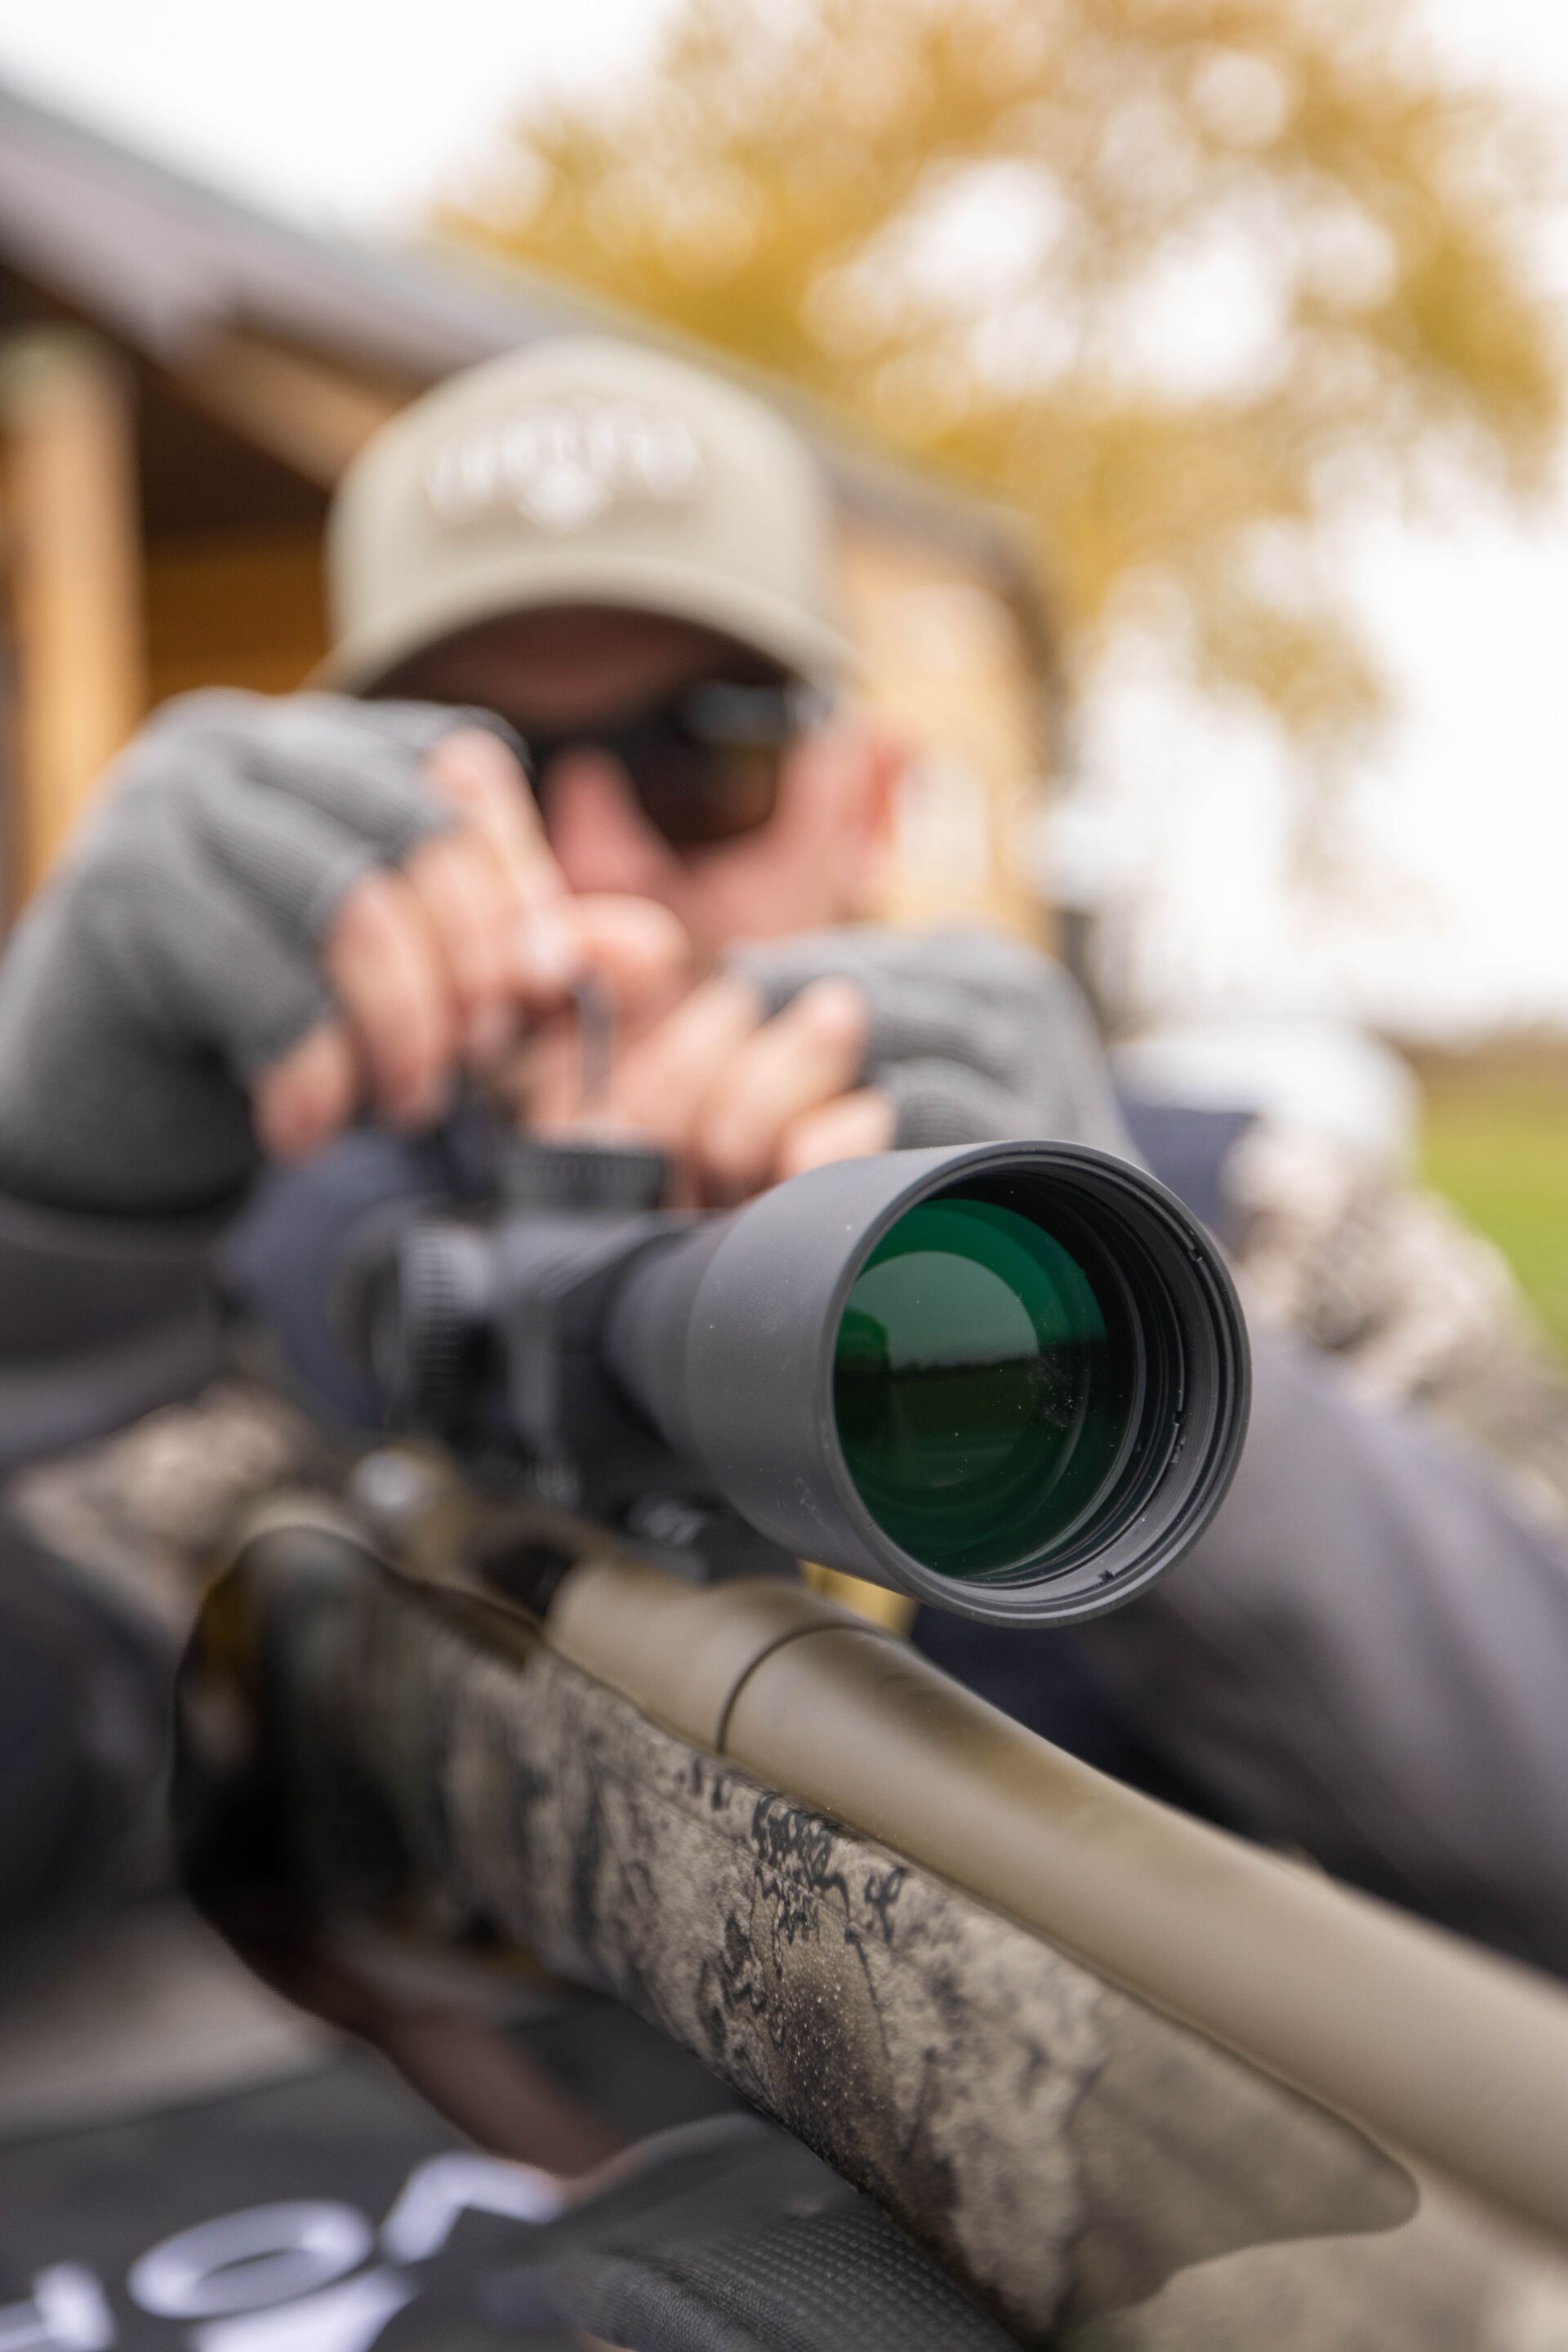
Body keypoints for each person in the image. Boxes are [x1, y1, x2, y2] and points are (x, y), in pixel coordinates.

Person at [2, 339, 1567, 1984]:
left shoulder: (1258, 1219)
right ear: (331, 820)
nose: (599, 868)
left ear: (867, 802)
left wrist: (1125, 1331)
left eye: (708, 757)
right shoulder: (269, 1295)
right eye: (485, 780)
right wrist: (60, 1240)